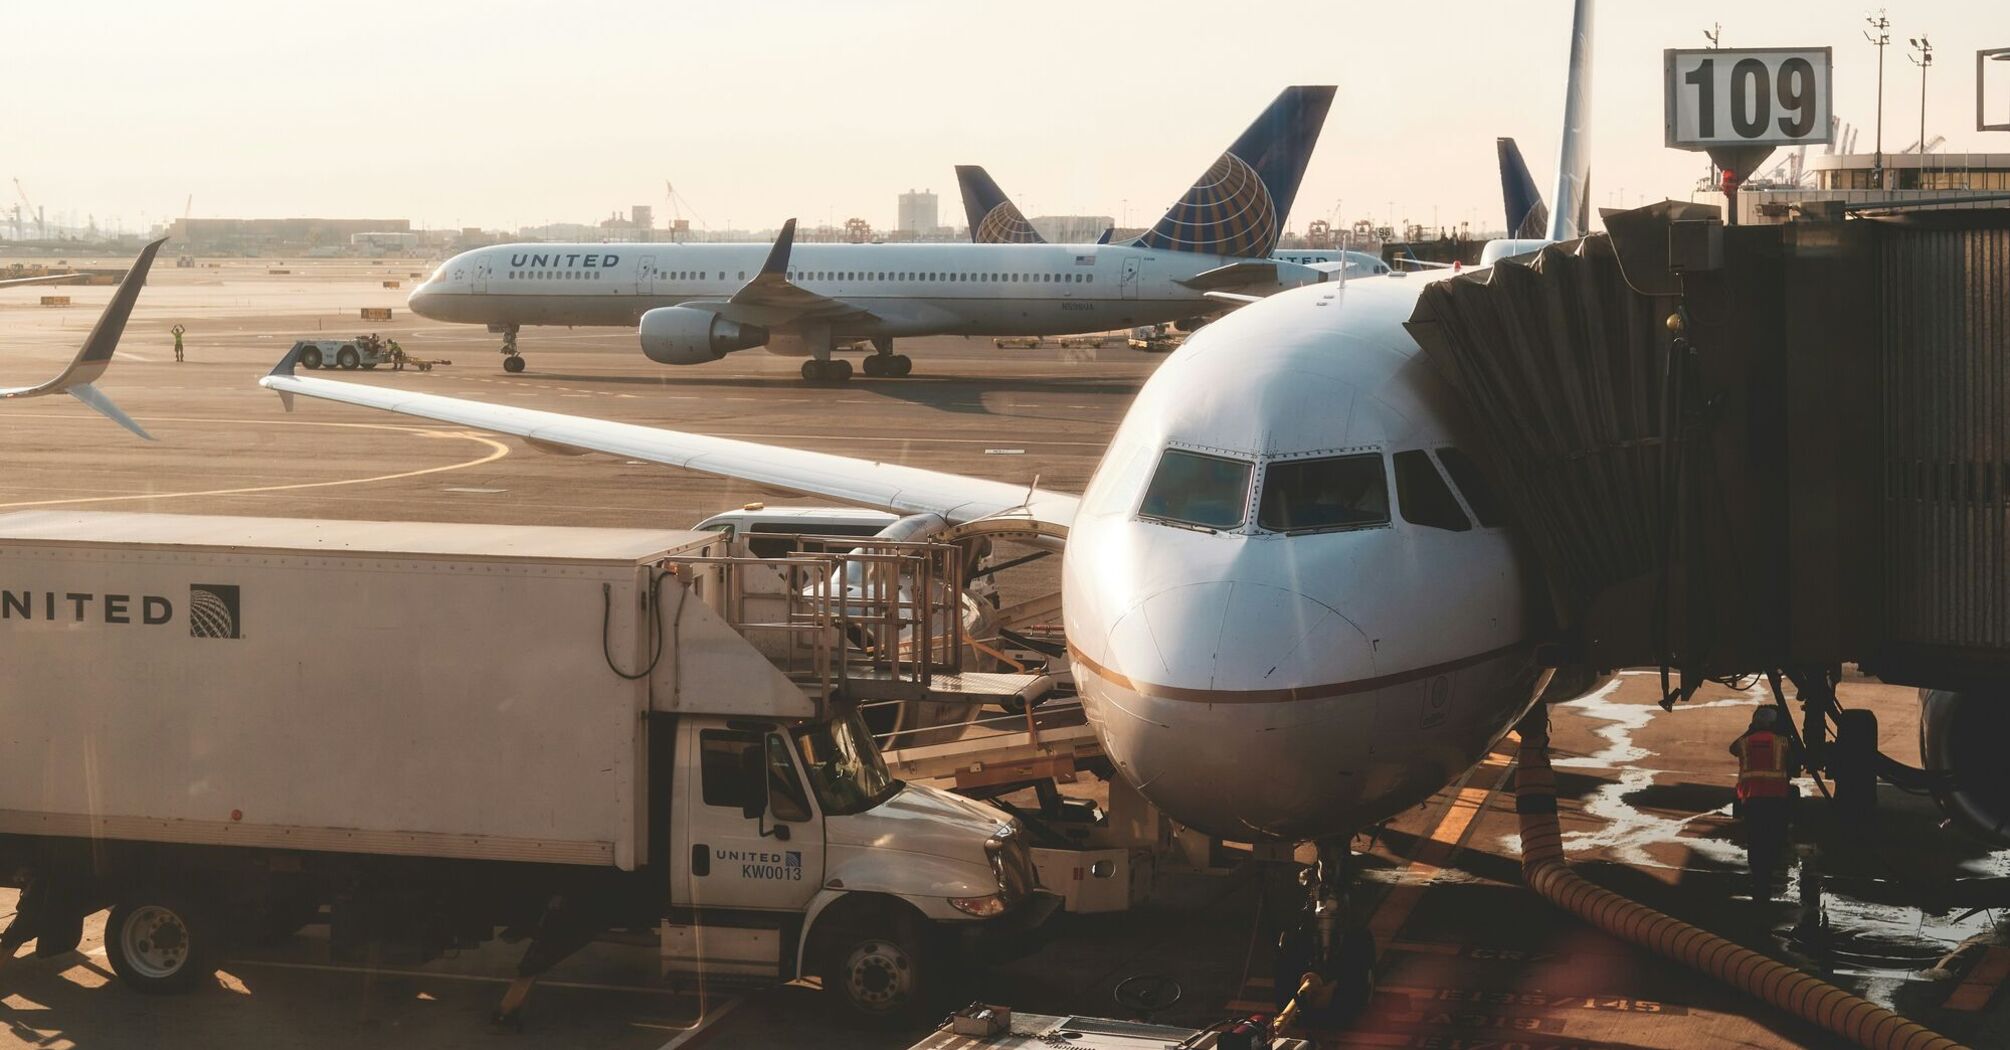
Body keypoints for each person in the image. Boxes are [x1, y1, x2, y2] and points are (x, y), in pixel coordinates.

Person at [1729, 706, 1799, 902]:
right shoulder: (1782, 742)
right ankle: (1768, 872)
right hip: (1776, 800)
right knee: (1773, 838)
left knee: (1755, 839)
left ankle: (1759, 878)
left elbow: (1732, 748)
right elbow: (1794, 761)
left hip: (1752, 800)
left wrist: (1750, 730)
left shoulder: (1745, 742)